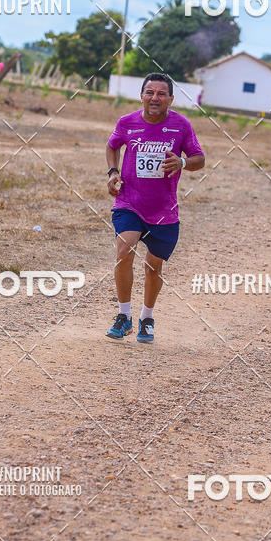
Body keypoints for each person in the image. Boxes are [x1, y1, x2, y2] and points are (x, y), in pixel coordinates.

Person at [105, 72, 205, 343]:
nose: (155, 98)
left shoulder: (181, 125)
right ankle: (123, 315)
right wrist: (113, 172)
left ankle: (147, 318)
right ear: (141, 96)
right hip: (129, 202)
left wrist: (182, 162)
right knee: (124, 251)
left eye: (161, 94)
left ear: (170, 99)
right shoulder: (127, 122)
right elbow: (112, 146)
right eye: (150, 92)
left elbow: (199, 159)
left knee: (153, 267)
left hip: (164, 211)